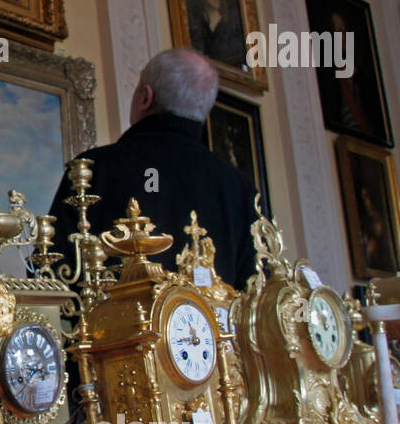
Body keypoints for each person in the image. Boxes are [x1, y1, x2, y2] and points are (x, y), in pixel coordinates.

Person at [49, 48, 259, 287]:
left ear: (145, 97)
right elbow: (255, 291)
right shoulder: (239, 188)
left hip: (112, 324)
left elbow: (53, 280)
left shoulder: (90, 170)